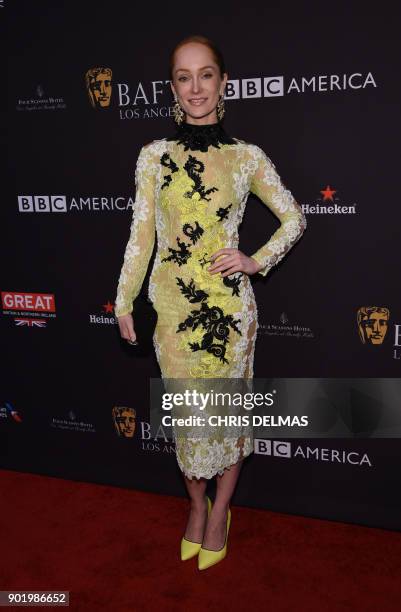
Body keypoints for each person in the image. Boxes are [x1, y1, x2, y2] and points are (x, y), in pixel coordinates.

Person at [114, 34, 307, 570]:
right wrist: (124, 300)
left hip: (228, 313)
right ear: (173, 88)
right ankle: (194, 505)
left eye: (206, 75)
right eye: (183, 76)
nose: (195, 87)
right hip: (172, 315)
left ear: (223, 83)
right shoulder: (153, 157)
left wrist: (254, 259)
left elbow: (294, 217)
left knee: (225, 419)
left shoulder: (246, 157)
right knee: (187, 421)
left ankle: (220, 510)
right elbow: (141, 236)